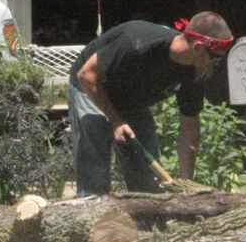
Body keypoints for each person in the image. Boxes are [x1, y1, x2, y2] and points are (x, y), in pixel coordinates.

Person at [69, 13, 233, 196]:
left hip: (132, 99)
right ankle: (92, 214)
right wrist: (116, 120)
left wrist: (186, 185)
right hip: (93, 87)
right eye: (216, 58)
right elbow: (86, 75)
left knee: (147, 183)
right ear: (198, 48)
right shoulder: (139, 42)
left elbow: (190, 130)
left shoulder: (195, 73)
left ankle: (145, 221)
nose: (217, 65)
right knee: (95, 172)